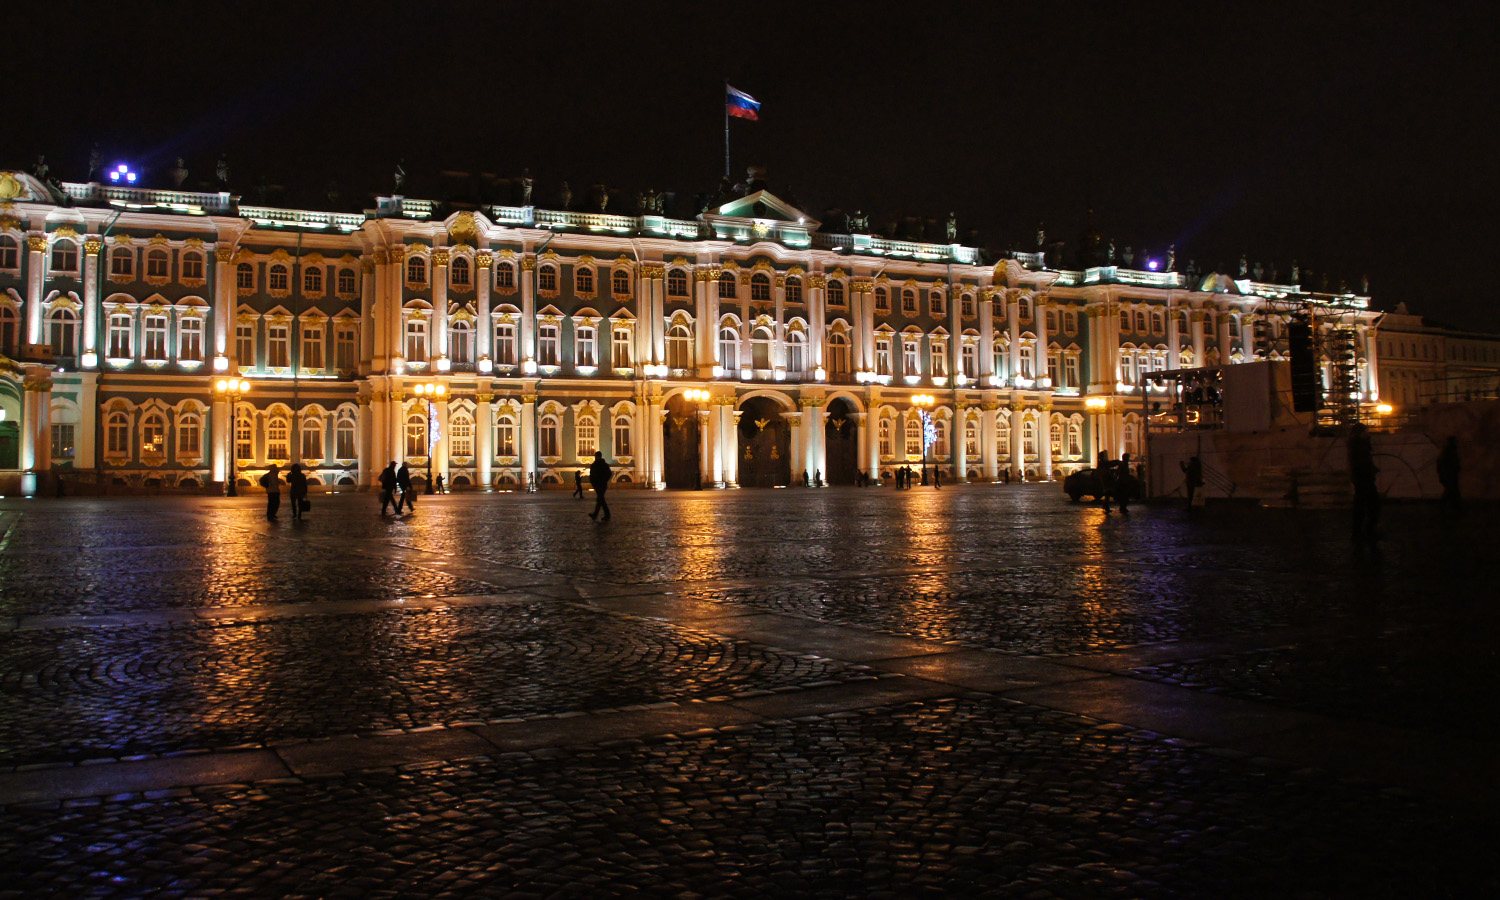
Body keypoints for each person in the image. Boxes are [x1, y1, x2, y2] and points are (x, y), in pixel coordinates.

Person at [1347, 424, 1380, 541]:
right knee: (1370, 505)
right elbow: (1362, 463)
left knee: (1361, 506)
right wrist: (1371, 470)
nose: (1368, 433)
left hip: (1362, 479)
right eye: (1366, 431)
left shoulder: (1357, 445)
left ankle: (1360, 531)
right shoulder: (1360, 446)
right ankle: (1368, 530)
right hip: (1364, 480)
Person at [1436, 436, 1461, 515]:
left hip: (1449, 474)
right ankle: (1451, 507)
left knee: (1451, 491)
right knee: (1451, 491)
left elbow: (1440, 464)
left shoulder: (1446, 452)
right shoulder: (1449, 452)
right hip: (1449, 474)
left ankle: (1454, 507)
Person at [587, 450, 611, 521]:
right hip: (599, 485)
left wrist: (603, 480)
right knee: (600, 499)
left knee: (600, 499)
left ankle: (601, 514)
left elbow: (608, 474)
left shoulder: (599, 465)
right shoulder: (601, 465)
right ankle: (603, 514)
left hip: (601, 484)